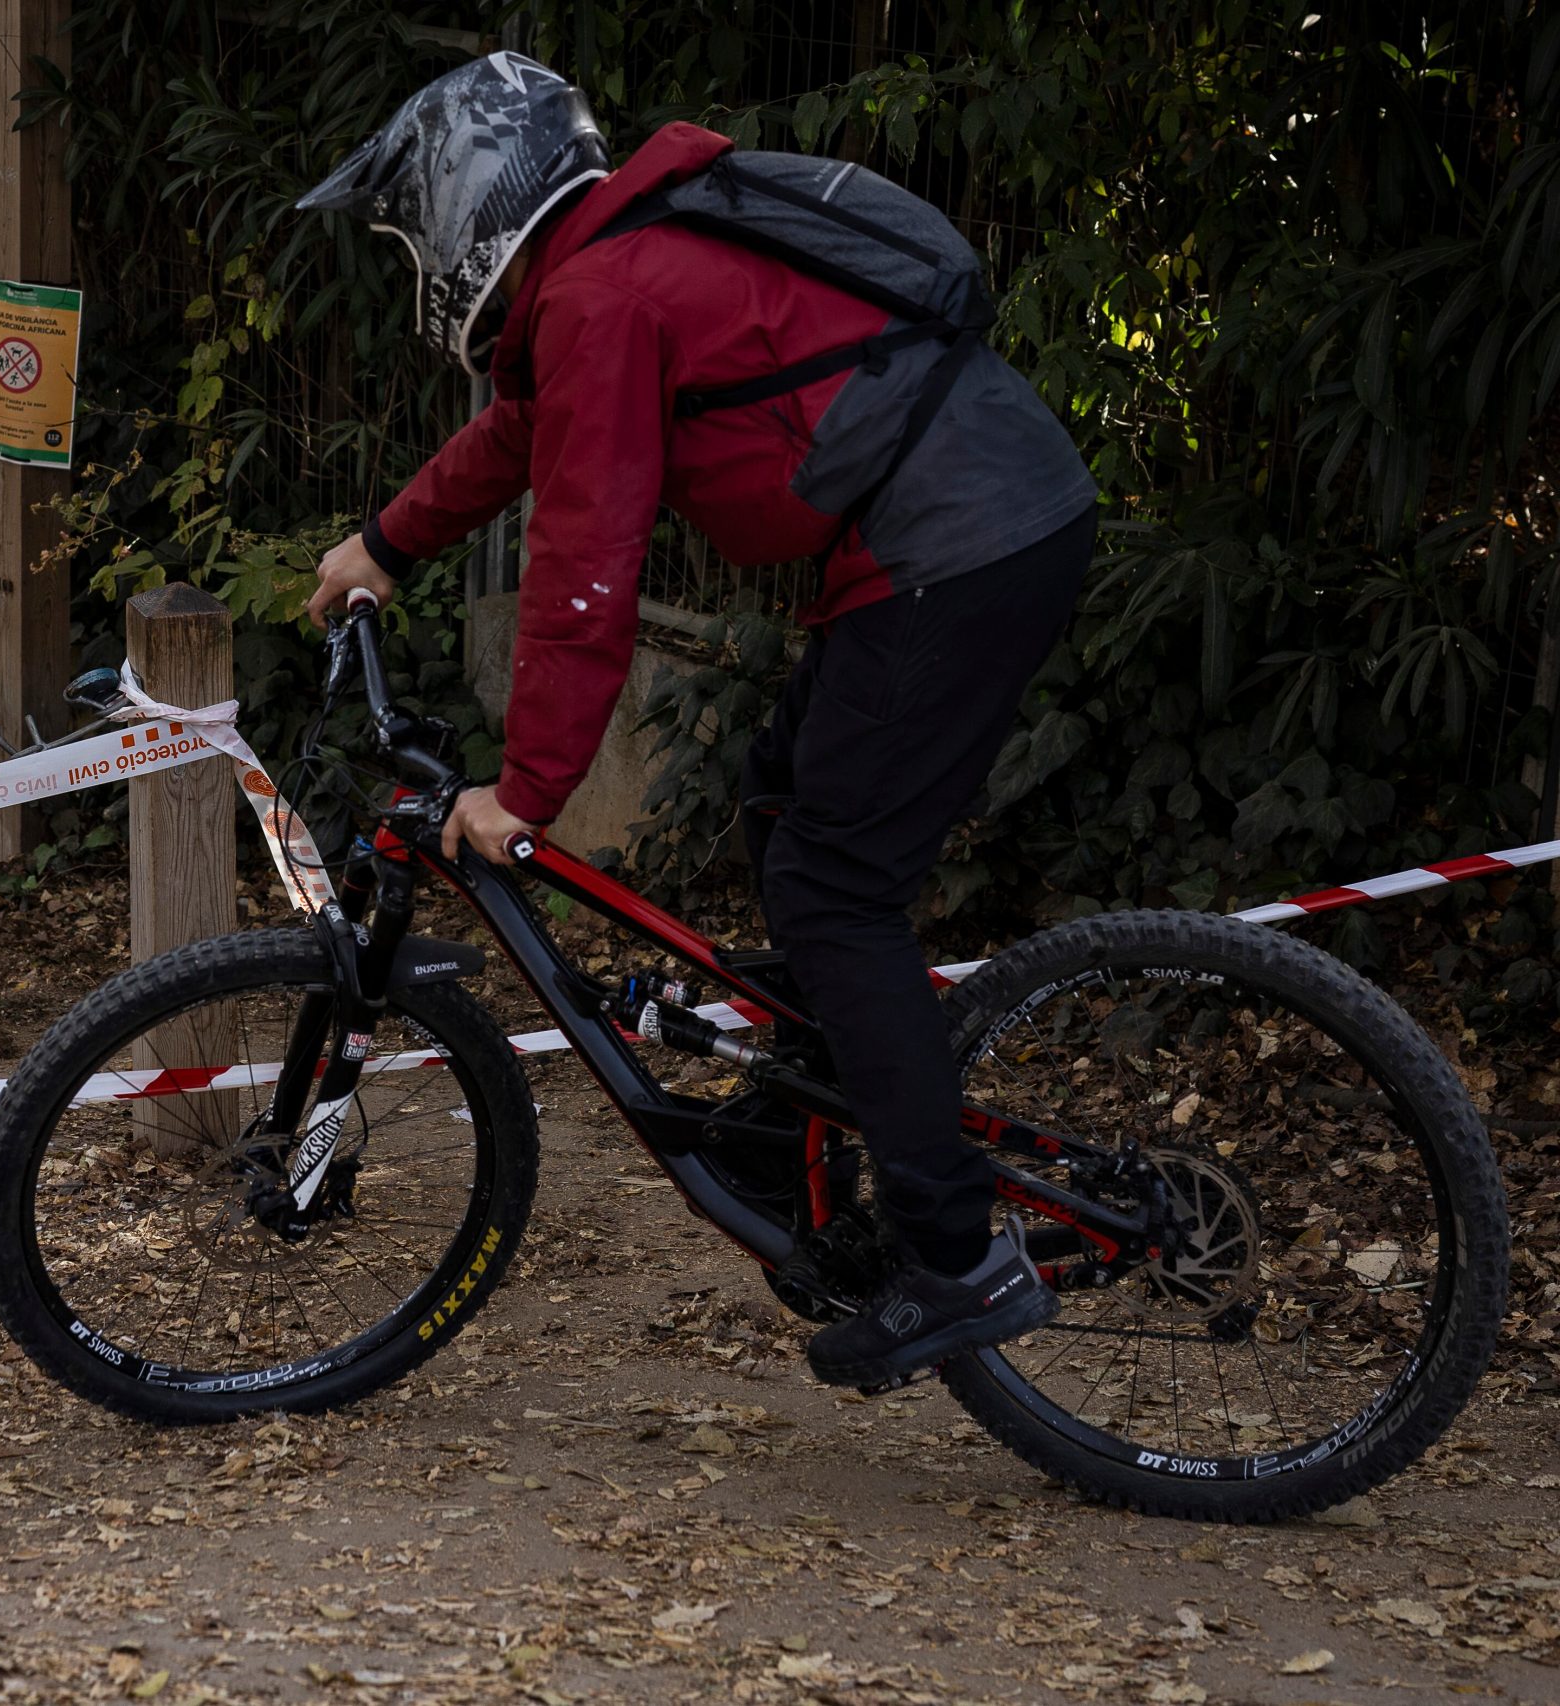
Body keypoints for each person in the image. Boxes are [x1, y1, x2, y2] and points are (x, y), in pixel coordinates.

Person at [294, 52, 1096, 1390]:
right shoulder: (611, 268)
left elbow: (587, 561)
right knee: (792, 813)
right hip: (938, 541)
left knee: (836, 885)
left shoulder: (607, 290)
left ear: (476, 204)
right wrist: (383, 540)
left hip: (960, 544)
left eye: (421, 225)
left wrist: (528, 789)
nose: (421, 256)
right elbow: (521, 439)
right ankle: (794, 1135)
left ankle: (957, 1256)